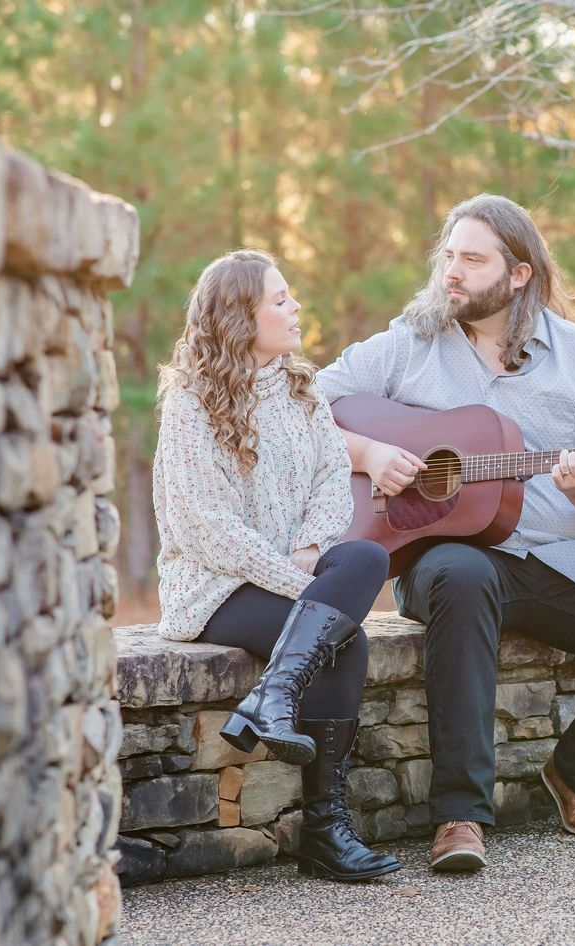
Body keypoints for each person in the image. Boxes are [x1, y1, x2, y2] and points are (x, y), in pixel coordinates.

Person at [316, 195, 575, 872]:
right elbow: (303, 402)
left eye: (472, 259)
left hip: (560, 557)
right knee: (463, 578)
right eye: (448, 256)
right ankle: (460, 817)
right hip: (448, 558)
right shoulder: (408, 343)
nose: (452, 272)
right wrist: (369, 456)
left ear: (518, 274)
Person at [153, 249, 401, 881]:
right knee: (343, 640)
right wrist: (297, 580)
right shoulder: (190, 404)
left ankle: (273, 695)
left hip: (299, 571)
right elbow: (205, 527)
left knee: (367, 555)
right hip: (215, 587)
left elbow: (330, 481)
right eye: (282, 299)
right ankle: (325, 829)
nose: (296, 309)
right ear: (242, 315)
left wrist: (314, 553)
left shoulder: (302, 387)